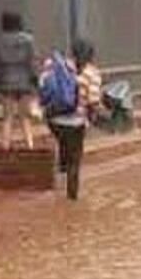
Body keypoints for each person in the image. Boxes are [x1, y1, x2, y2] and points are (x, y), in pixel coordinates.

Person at [43, 38, 102, 200]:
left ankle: (59, 176)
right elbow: (93, 102)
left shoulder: (59, 66)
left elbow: (45, 86)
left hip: (54, 120)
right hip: (76, 122)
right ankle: (71, 197)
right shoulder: (92, 73)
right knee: (74, 160)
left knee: (63, 146)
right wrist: (94, 116)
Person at [0, 12, 38, 151]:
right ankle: (30, 146)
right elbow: (32, 63)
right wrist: (35, 79)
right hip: (25, 82)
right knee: (25, 117)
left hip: (6, 81)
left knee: (7, 117)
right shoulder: (28, 40)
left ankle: (5, 145)